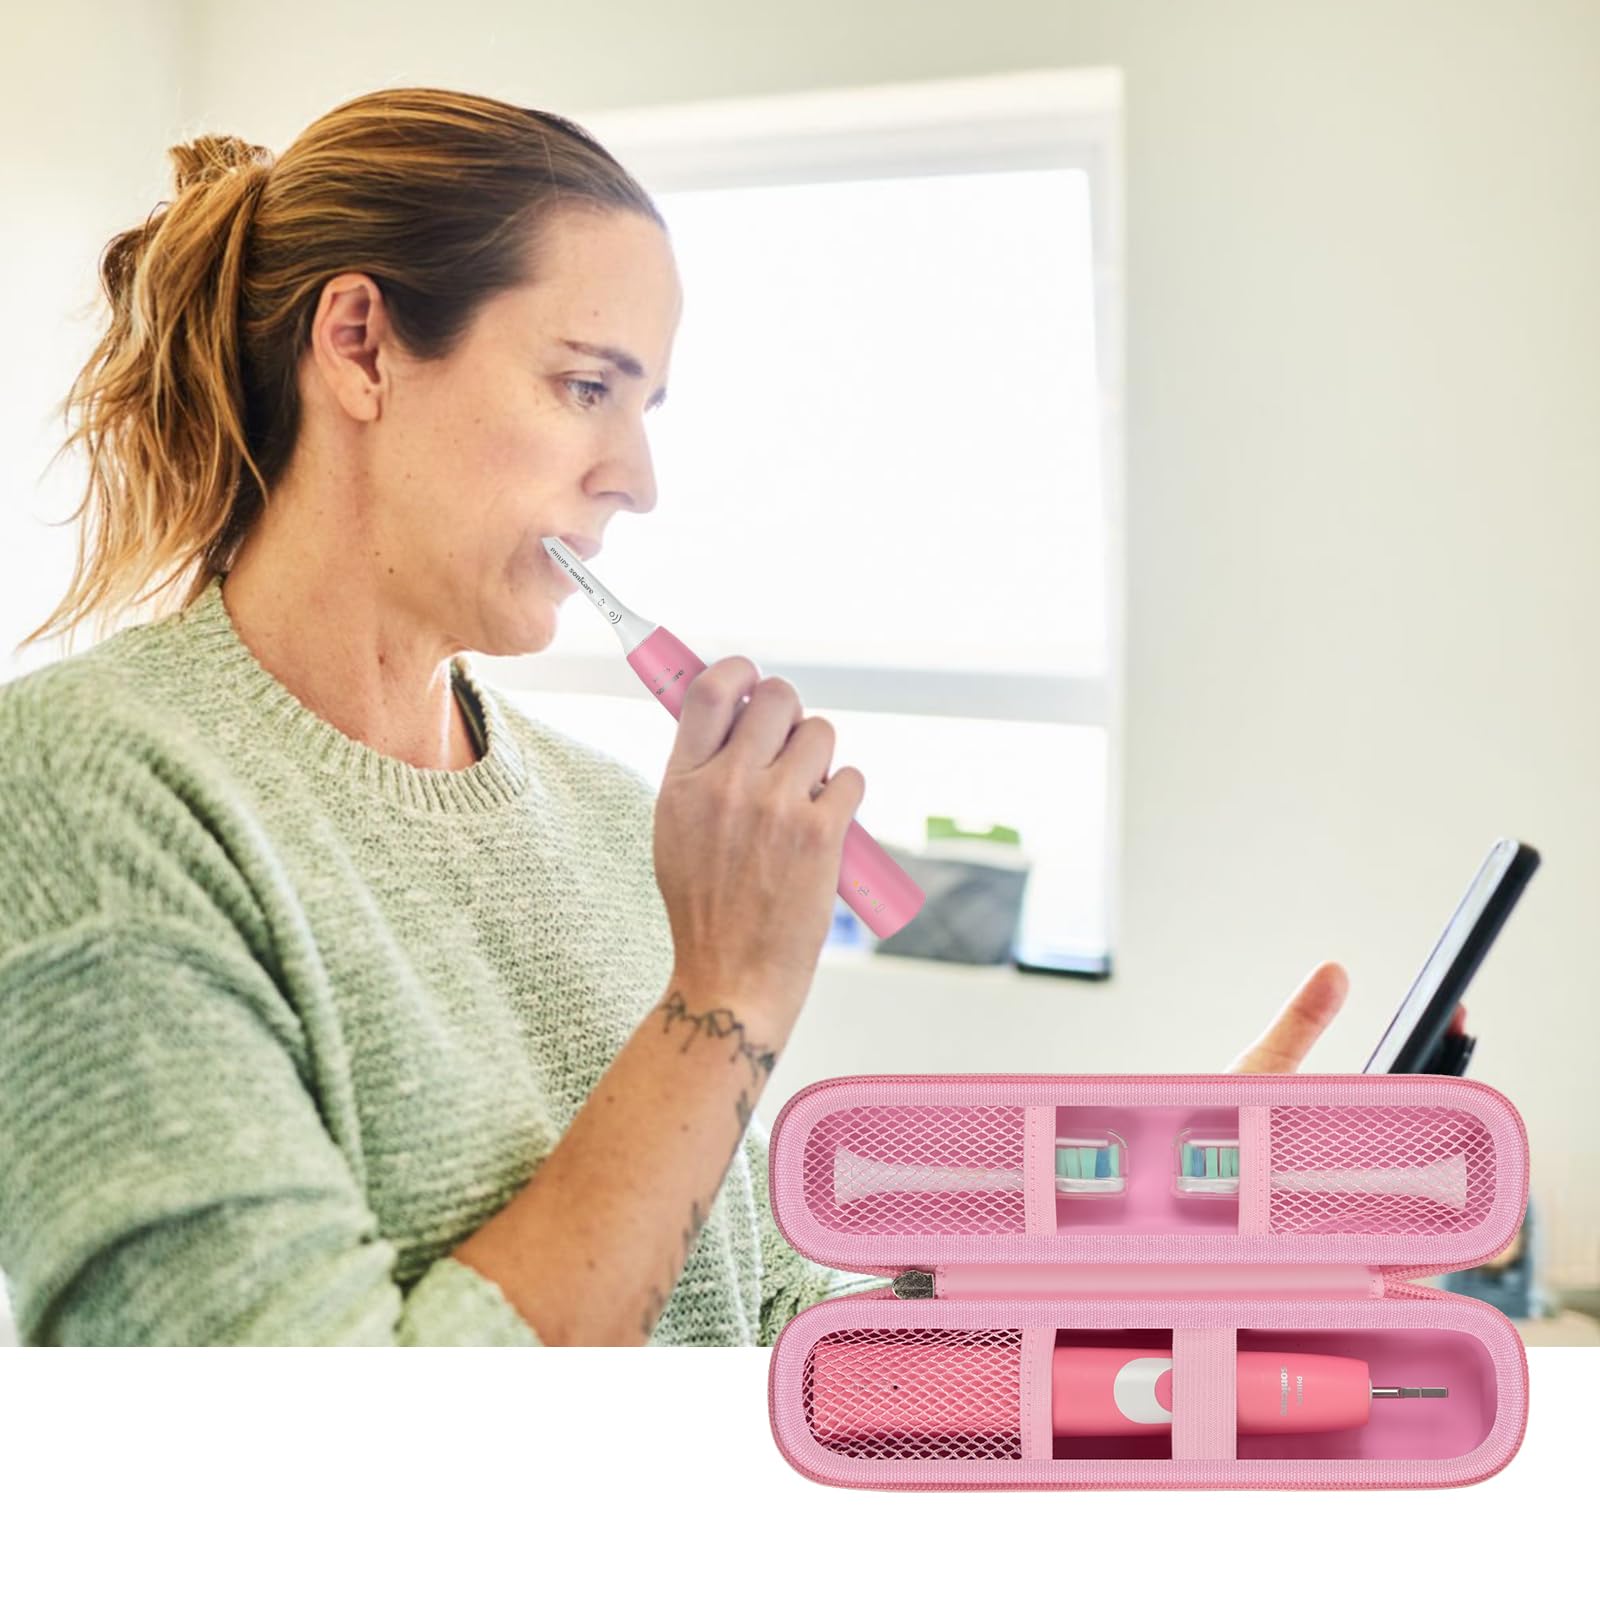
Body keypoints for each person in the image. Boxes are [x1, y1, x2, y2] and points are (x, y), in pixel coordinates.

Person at [0, 87, 1352, 1348]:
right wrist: (728, 994)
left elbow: (756, 1312)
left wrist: (1158, 1226)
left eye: (644, 408)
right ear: (358, 346)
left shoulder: (600, 817)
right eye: (587, 386)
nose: (635, 480)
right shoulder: (88, 786)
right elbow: (305, 1476)